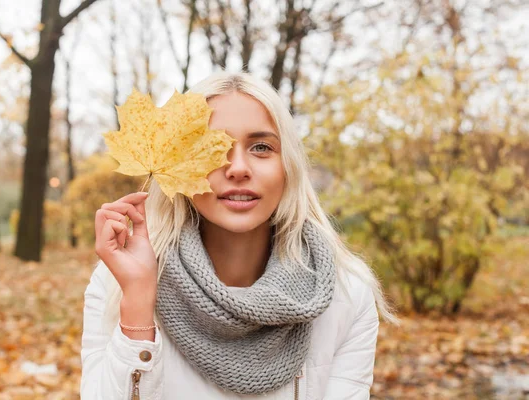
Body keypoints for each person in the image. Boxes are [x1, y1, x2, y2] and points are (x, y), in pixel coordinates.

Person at [80, 71, 397, 400]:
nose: (238, 168)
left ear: (288, 167)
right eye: (212, 148)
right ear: (181, 167)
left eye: (261, 147)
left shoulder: (346, 295)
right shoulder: (117, 286)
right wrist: (138, 306)